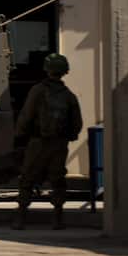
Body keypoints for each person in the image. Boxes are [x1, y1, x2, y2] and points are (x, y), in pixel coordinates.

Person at [12, 53, 83, 230]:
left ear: (47, 69)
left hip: (38, 142)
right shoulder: (69, 96)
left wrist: (19, 135)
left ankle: (20, 219)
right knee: (57, 179)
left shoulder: (37, 91)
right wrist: (69, 137)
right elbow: (77, 123)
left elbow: (26, 116)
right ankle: (57, 219)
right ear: (64, 71)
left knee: (27, 178)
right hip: (59, 144)